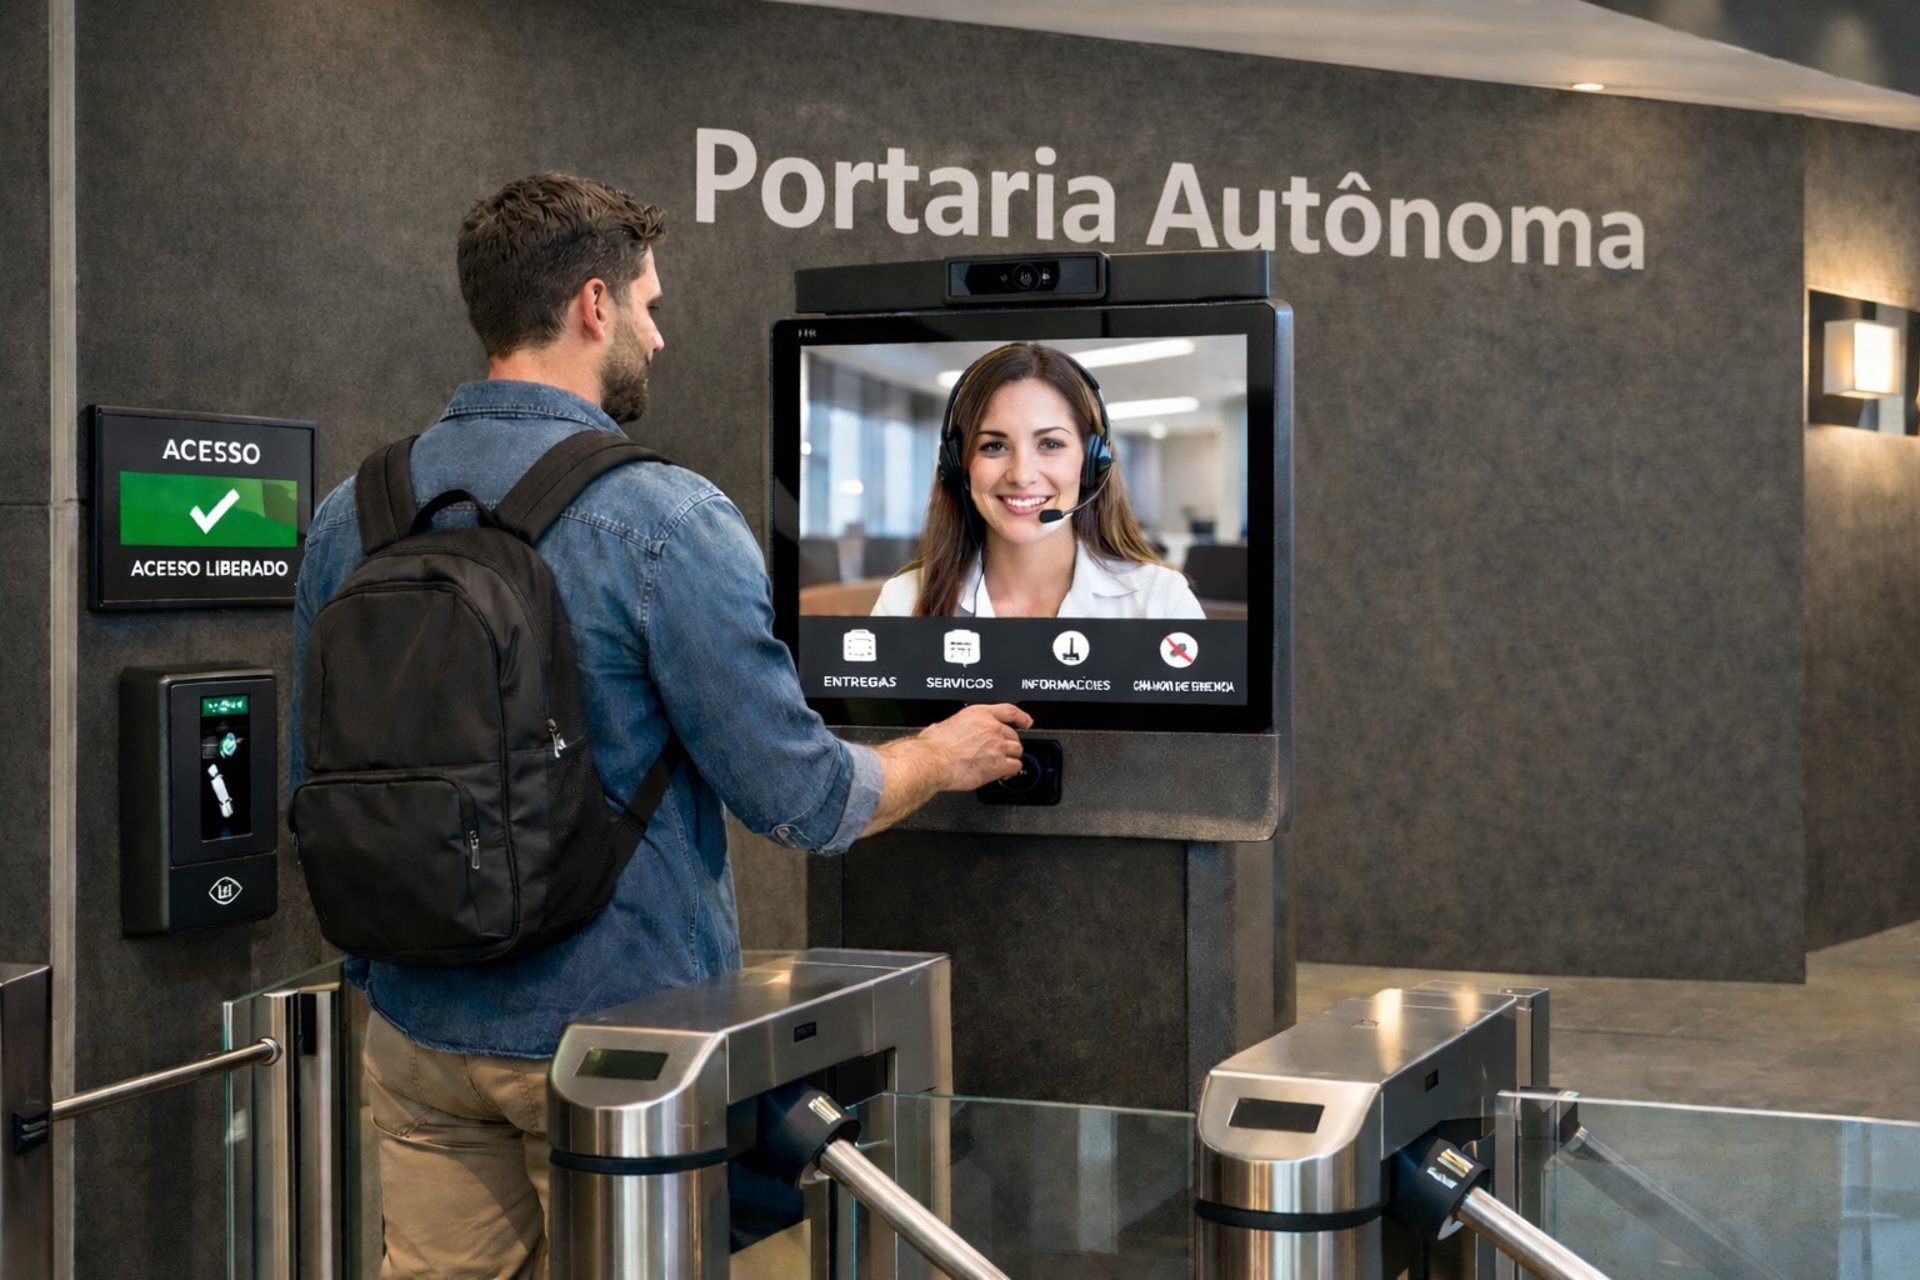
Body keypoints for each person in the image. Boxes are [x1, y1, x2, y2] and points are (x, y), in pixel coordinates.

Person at [289, 173, 1031, 1280]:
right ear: (594, 305)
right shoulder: (665, 518)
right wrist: (935, 754)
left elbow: (321, 778)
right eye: (647, 301)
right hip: (617, 1055)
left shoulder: (355, 513)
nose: (659, 331)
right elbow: (802, 797)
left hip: (413, 1030)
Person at [870, 342, 1206, 619]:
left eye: (1050, 444)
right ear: (958, 464)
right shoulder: (905, 601)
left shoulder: (1160, 601)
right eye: (994, 446)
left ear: (1092, 462)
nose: (1021, 475)